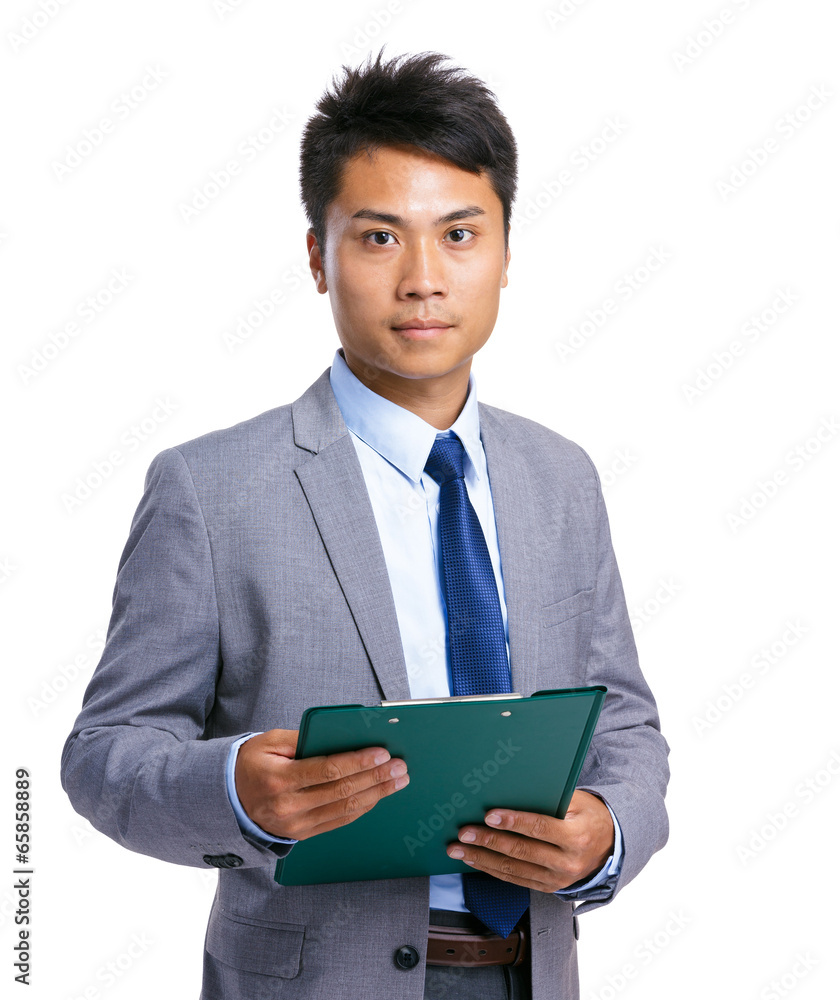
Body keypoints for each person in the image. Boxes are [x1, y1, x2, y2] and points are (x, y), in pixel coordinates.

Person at [61, 50, 669, 1000]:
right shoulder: (207, 488)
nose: (424, 279)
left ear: (507, 253)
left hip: (532, 974)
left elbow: (623, 718)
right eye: (380, 238)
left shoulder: (562, 478)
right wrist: (233, 790)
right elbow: (104, 756)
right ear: (318, 256)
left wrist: (611, 835)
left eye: (461, 235)